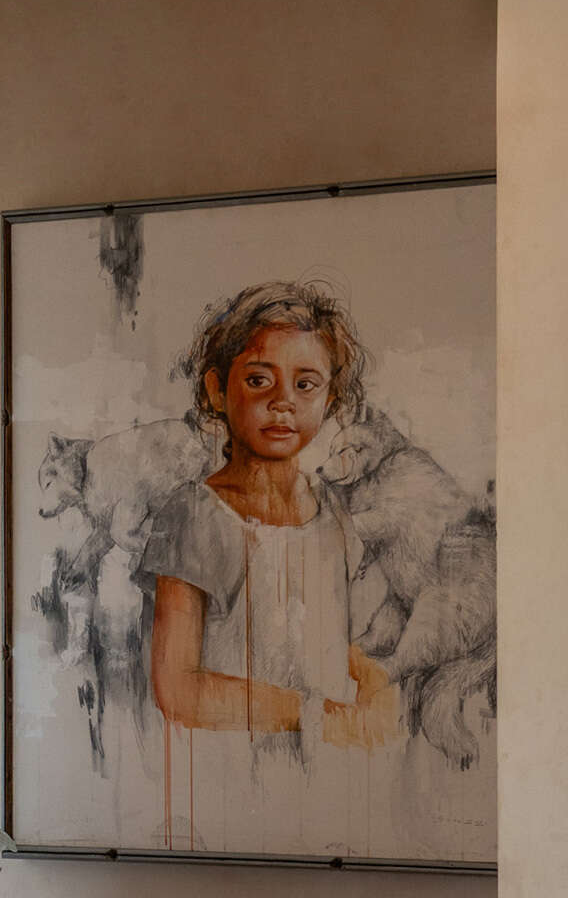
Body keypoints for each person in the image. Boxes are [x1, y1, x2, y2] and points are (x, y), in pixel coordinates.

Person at [141, 280, 400, 752]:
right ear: (217, 391)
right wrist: (320, 716)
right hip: (227, 763)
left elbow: (333, 643)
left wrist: (372, 683)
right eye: (259, 380)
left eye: (306, 385)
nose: (283, 402)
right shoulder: (194, 515)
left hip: (324, 762)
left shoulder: (334, 512)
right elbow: (177, 691)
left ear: (331, 400)